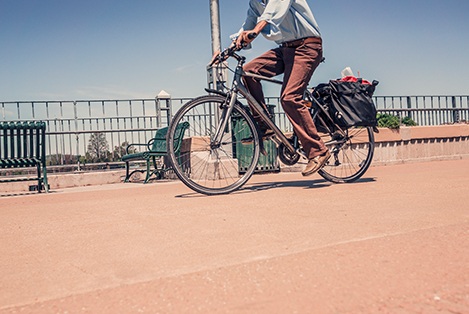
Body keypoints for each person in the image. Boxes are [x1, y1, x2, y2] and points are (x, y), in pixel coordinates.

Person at [234, 0, 331, 176]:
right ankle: (264, 126)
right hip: (286, 49)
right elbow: (248, 25)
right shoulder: (255, 2)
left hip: (307, 47)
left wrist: (256, 30)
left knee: (290, 97)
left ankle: (318, 151)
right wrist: (229, 48)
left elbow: (272, 12)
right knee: (248, 72)